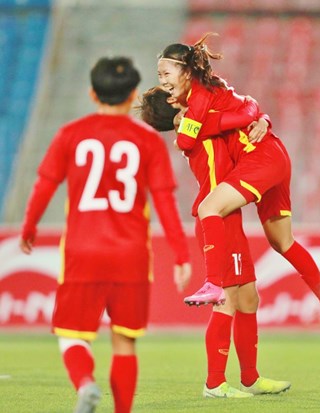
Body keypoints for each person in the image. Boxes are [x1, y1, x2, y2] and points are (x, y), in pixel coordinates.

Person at [19, 57, 192, 413]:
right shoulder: (148, 140)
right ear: (132, 95)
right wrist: (181, 254)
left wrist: (30, 227)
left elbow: (44, 186)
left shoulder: (71, 134)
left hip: (83, 252)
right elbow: (164, 202)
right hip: (131, 256)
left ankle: (85, 383)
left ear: (91, 93)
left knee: (71, 335)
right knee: (124, 343)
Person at [156, 33, 320, 336]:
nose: (164, 80)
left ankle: (213, 283)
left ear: (187, 72)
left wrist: (254, 117)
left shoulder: (200, 99)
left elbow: (187, 138)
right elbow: (248, 106)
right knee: (282, 242)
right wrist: (261, 117)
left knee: (208, 208)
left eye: (166, 73)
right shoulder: (211, 93)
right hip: (274, 153)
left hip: (261, 158)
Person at [137, 86, 291, 398]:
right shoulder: (195, 130)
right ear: (175, 110)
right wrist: (259, 115)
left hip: (226, 217)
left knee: (249, 299)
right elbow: (239, 111)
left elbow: (240, 115)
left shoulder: (196, 125)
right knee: (228, 300)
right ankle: (214, 383)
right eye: (172, 93)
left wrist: (263, 119)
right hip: (216, 221)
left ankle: (250, 377)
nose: (178, 92)